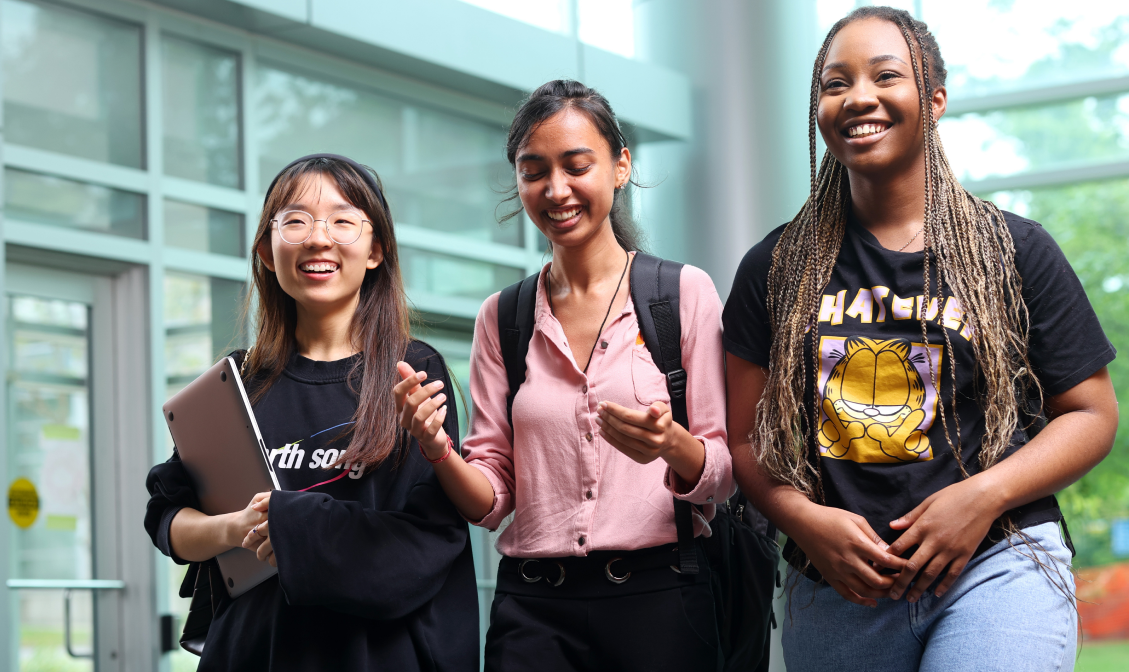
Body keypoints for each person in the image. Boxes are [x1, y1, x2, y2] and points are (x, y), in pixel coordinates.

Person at [723, 7, 1119, 671]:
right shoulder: (775, 268)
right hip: (839, 587)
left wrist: (983, 495)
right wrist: (803, 519)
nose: (859, 98)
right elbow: (743, 440)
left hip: (997, 562)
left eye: (885, 76)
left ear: (933, 101)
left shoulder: (1014, 251)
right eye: (834, 83)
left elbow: (1091, 414)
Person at [394, 80, 735, 672]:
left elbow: (724, 472)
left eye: (577, 166)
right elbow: (492, 500)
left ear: (620, 166)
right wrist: (437, 449)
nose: (556, 190)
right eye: (534, 171)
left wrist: (672, 446)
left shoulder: (680, 294)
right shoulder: (503, 317)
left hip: (660, 599)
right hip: (534, 611)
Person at [144, 154, 478, 671]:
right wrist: (241, 527)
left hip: (371, 656)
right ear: (267, 251)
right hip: (254, 652)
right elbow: (169, 520)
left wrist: (291, 524)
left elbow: (426, 544)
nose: (319, 239)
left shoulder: (410, 369)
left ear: (376, 251)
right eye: (296, 221)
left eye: (343, 221)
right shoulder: (238, 382)